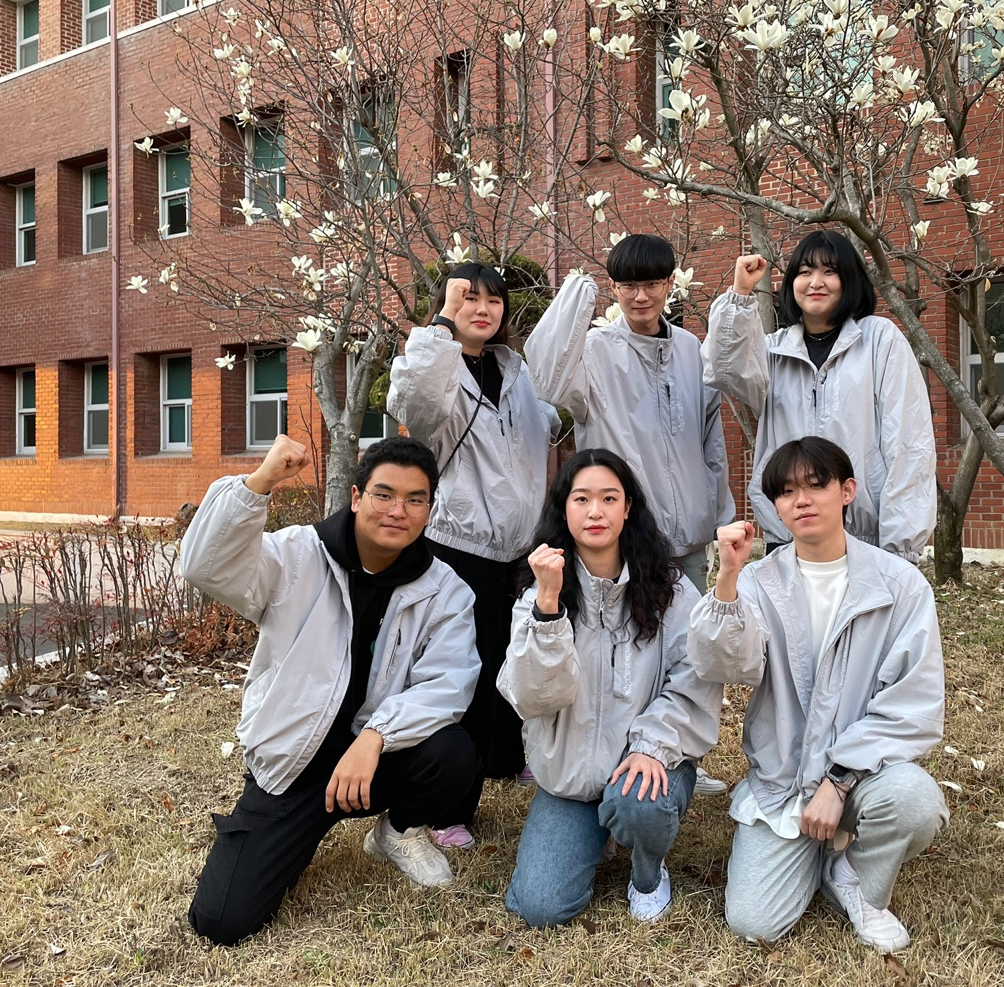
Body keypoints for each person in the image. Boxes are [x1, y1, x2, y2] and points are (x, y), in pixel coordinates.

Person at [181, 435, 481, 946]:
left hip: (376, 759)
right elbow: (206, 568)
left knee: (454, 752)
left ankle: (397, 832)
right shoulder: (298, 555)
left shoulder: (444, 589)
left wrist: (376, 737)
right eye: (384, 494)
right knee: (222, 921)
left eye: (415, 500)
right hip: (297, 761)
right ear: (357, 496)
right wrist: (259, 483)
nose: (398, 511)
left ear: (430, 509)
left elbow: (448, 684)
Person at [689, 436, 947, 952]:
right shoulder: (759, 581)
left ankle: (854, 876)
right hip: (784, 782)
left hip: (864, 775)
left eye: (815, 485)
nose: (801, 501)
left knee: (915, 802)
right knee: (753, 923)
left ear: (847, 491)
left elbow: (913, 705)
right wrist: (728, 579)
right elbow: (723, 666)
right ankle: (815, 852)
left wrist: (839, 779)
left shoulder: (899, 586)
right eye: (786, 492)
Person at [526, 235, 734, 796]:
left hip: (688, 537)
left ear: (670, 284)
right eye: (628, 285)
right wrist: (577, 296)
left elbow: (711, 441)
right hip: (624, 536)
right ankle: (610, 756)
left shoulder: (691, 350)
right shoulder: (594, 350)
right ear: (614, 288)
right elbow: (544, 377)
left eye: (652, 283)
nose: (641, 296)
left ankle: (676, 755)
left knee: (686, 654)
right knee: (626, 651)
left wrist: (716, 513)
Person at [499, 449, 722, 926]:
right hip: (572, 780)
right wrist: (548, 607)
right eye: (581, 499)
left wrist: (650, 748)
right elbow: (531, 697)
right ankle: (595, 828)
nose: (595, 511)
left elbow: (694, 680)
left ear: (628, 508)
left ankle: (647, 873)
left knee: (638, 803)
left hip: (648, 765)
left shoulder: (670, 590)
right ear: (564, 509)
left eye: (608, 498)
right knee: (541, 906)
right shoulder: (539, 594)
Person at [387, 262, 561, 850]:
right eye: (467, 298)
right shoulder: (435, 365)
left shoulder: (515, 370)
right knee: (464, 667)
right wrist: (439, 327)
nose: (481, 309)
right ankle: (448, 806)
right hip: (459, 543)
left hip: (518, 542)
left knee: (512, 653)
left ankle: (506, 756)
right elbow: (413, 405)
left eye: (492, 299)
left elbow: (543, 424)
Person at [702, 231, 936, 560]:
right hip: (788, 535)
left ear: (849, 280)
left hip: (865, 538)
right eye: (805, 272)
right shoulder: (773, 351)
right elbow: (723, 368)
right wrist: (740, 295)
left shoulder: (879, 340)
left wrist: (901, 548)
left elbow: (908, 446)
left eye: (830, 271)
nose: (816, 282)